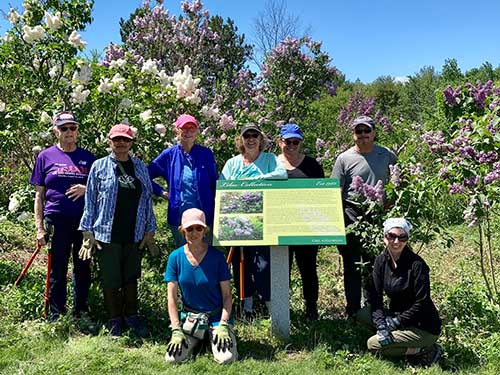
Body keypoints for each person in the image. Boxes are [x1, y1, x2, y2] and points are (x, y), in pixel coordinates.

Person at [78, 123, 158, 337]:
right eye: (117, 139)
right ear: (110, 141)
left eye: (125, 139)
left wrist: (150, 231)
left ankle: (132, 316)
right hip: (106, 235)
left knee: (131, 278)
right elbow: (91, 200)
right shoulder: (99, 167)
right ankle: (114, 320)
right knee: (111, 279)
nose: (121, 143)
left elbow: (147, 200)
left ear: (131, 142)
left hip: (134, 234)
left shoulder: (141, 167)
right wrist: (87, 232)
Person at [30, 111, 95, 322]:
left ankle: (81, 311)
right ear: (56, 131)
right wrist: (39, 228)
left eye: (72, 128)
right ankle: (56, 315)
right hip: (56, 221)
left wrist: (86, 188)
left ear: (77, 131)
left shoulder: (89, 158)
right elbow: (39, 195)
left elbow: (101, 188)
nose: (69, 132)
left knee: (83, 267)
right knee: (57, 268)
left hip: (83, 222)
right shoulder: (45, 156)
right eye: (64, 128)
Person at [332, 115, 397, 318]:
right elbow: (334, 190)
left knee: (375, 263)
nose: (363, 135)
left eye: (366, 131)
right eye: (358, 131)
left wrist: (392, 202)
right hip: (351, 213)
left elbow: (398, 180)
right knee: (352, 264)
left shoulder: (386, 155)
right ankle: (352, 310)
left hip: (378, 214)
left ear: (374, 133)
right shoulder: (344, 158)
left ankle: (372, 307)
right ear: (353, 134)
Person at [220, 123, 287, 318]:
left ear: (260, 139)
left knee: (263, 265)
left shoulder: (269, 159)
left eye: (254, 135)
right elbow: (223, 184)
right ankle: (247, 307)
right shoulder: (232, 163)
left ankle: (269, 305)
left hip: (263, 221)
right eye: (246, 135)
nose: (251, 139)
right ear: (241, 140)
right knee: (241, 264)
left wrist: (258, 181)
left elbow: (281, 174)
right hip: (237, 221)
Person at [164, 208, 237, 364]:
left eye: (199, 228)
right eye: (189, 228)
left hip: (216, 317)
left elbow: (227, 296)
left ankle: (214, 336)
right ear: (182, 230)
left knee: (226, 359)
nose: (194, 232)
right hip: (191, 319)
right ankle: (197, 339)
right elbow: (171, 297)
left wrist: (224, 323)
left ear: (205, 230)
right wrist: (176, 329)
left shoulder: (217, 257)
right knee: (172, 359)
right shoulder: (175, 258)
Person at [365, 218, 442, 365]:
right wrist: (381, 325)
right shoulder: (381, 261)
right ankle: (392, 336)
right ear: (384, 237)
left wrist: (395, 323)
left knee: (373, 345)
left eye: (402, 237)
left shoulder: (417, 265)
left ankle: (426, 349)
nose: (396, 242)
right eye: (391, 236)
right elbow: (376, 297)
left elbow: (422, 303)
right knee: (363, 314)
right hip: (397, 314)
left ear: (407, 239)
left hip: (422, 325)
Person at [277, 123, 324, 320]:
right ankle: (281, 309)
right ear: (280, 142)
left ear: (300, 142)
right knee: (281, 270)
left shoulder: (313, 165)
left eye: (296, 141)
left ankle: (311, 308)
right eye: (288, 141)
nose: (292, 145)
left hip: (306, 227)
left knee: (308, 269)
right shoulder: (272, 164)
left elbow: (323, 196)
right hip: (278, 227)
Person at [148, 114, 218, 247]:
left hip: (204, 217)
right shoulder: (169, 154)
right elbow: (145, 175)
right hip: (179, 217)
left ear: (197, 132)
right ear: (177, 131)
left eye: (192, 128)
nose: (188, 132)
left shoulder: (206, 154)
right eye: (184, 128)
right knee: (184, 255)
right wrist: (161, 192)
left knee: (205, 253)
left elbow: (214, 184)